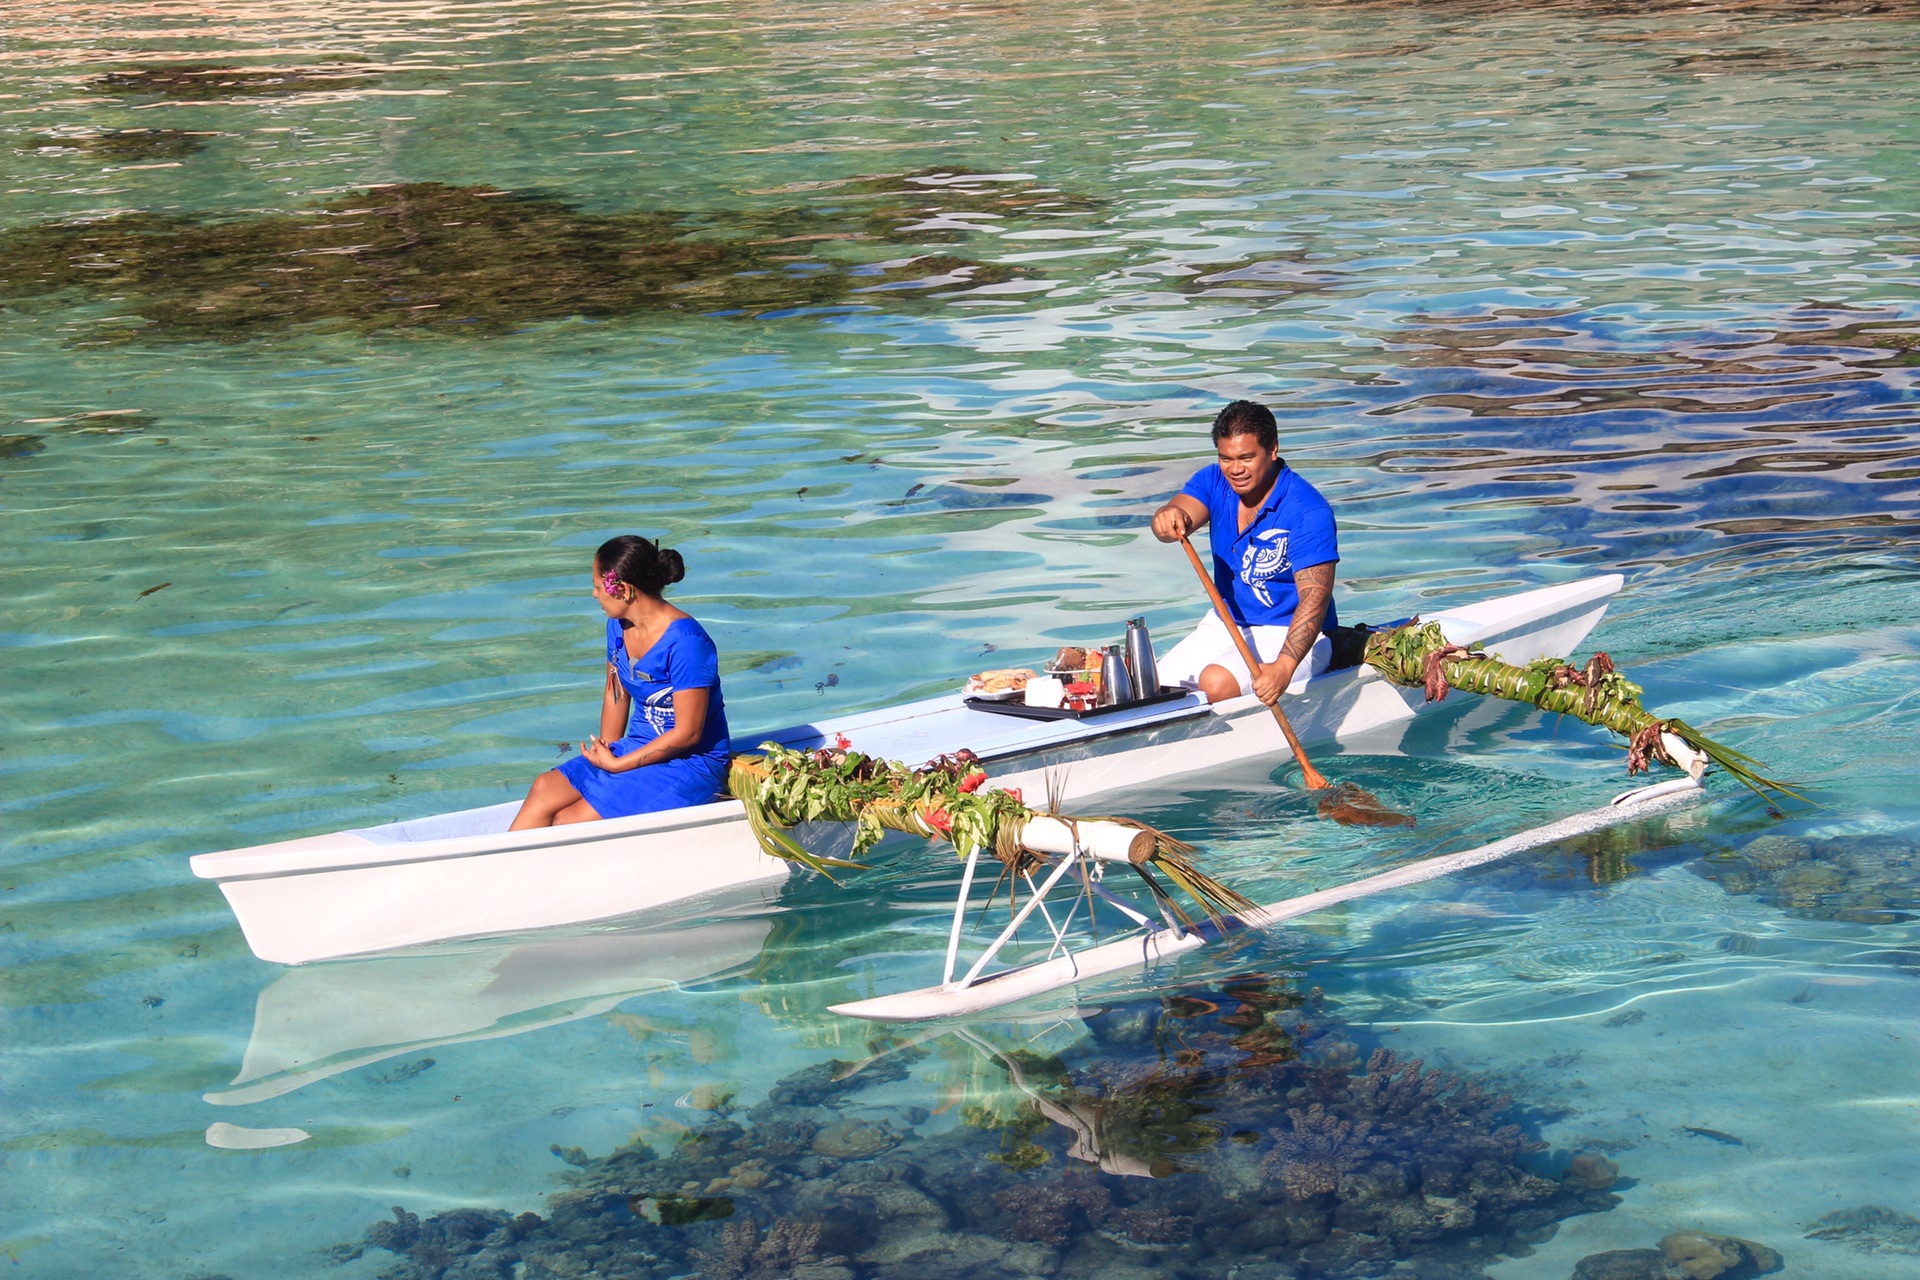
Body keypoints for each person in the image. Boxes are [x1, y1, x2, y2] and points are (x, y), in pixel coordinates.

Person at [510, 535, 732, 829]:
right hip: (637, 746)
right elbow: (615, 692)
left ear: (623, 590)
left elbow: (688, 734)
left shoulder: (688, 643)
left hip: (690, 762)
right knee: (544, 788)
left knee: (569, 821)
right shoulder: (617, 627)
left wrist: (617, 766)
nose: (593, 594)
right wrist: (607, 753)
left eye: (598, 586)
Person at [1149, 400, 1338, 706]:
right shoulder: (1214, 480)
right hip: (1225, 624)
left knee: (1216, 681)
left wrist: (1283, 667)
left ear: (1272, 450)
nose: (1235, 469)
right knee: (1154, 687)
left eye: (1247, 458)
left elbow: (1315, 599)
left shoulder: (1308, 510)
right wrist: (1167, 517)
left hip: (1292, 635)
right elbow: (1177, 515)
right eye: (1226, 458)